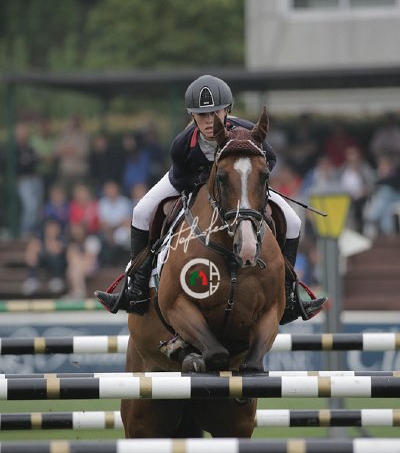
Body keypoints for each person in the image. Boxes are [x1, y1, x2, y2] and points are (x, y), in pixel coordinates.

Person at [95, 75, 326, 324]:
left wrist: (247, 182)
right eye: (201, 115)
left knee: (293, 221)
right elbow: (181, 176)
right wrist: (211, 181)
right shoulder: (183, 144)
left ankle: (289, 295)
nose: (208, 120)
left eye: (215, 113)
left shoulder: (246, 131)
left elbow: (269, 159)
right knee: (141, 212)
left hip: (240, 185)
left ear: (227, 110)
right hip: (186, 181)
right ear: (192, 116)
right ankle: (137, 289)